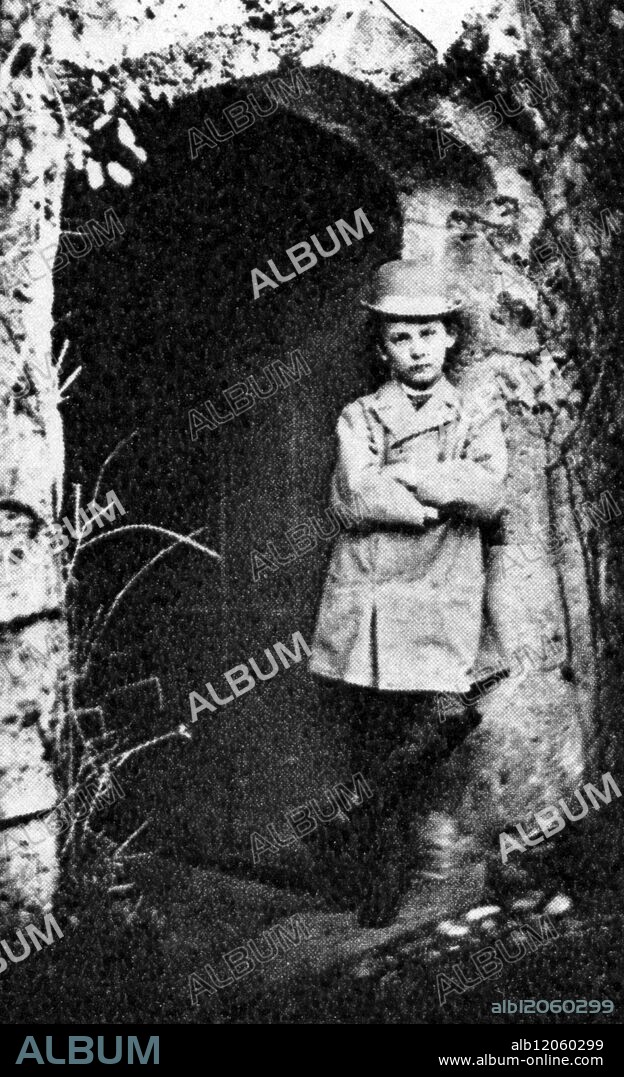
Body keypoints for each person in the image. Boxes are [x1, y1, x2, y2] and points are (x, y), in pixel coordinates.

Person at [309, 260, 508, 929]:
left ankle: (345, 821)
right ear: (382, 347)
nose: (417, 348)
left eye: (428, 333)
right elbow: (354, 495)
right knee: (373, 738)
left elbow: (488, 493)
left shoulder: (474, 412)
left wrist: (412, 475)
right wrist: (437, 493)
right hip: (371, 595)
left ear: (450, 337)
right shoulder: (359, 415)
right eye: (402, 337)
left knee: (447, 716)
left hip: (443, 596)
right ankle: (376, 887)